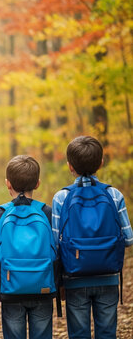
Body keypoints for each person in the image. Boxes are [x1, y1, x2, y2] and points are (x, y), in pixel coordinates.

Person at [52, 136, 133, 338]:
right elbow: (129, 239)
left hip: (74, 278)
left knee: (79, 333)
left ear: (70, 166)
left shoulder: (61, 197)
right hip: (108, 277)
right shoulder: (114, 195)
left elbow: (55, 244)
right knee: (107, 332)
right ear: (101, 163)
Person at [0, 155, 55, 339]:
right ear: (37, 183)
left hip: (11, 289)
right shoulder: (47, 212)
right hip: (43, 287)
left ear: (7, 184)